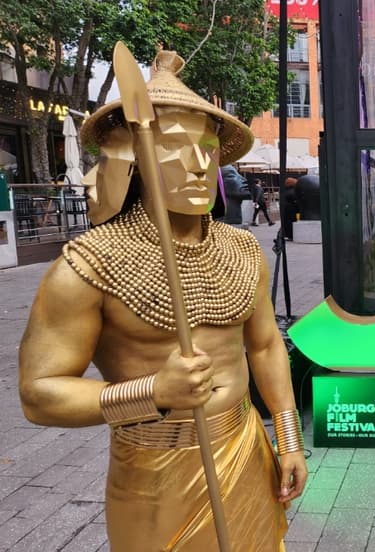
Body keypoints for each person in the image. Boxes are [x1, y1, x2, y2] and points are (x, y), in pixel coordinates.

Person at [17, 49, 307, 550]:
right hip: (152, 471)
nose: (197, 165)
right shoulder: (91, 264)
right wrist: (151, 391)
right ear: (134, 158)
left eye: (207, 148)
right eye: (173, 146)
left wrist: (288, 437)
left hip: (243, 447)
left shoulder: (242, 249)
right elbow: (38, 394)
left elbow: (263, 347)